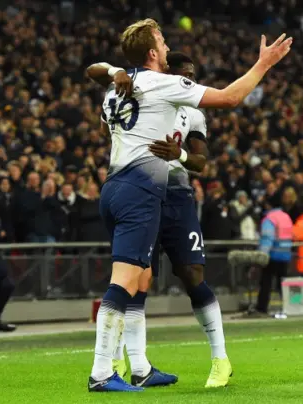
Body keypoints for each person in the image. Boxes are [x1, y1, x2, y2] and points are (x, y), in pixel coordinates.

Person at [85, 18, 292, 392]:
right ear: (152, 52)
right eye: (162, 41)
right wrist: (264, 63)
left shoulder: (114, 93)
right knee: (125, 282)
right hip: (139, 190)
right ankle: (102, 372)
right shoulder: (161, 83)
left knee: (134, 279)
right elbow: (230, 97)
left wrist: (119, 75)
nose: (166, 46)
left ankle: (137, 367)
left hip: (114, 186)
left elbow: (107, 123)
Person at [88, 51, 232, 388]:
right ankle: (139, 367)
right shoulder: (149, 91)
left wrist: (179, 154)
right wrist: (117, 69)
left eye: (194, 74)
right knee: (140, 278)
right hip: (144, 192)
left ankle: (220, 359)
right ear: (167, 72)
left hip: (177, 196)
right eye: (185, 73)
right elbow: (95, 72)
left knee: (192, 274)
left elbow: (201, 163)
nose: (191, 79)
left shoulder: (194, 113)